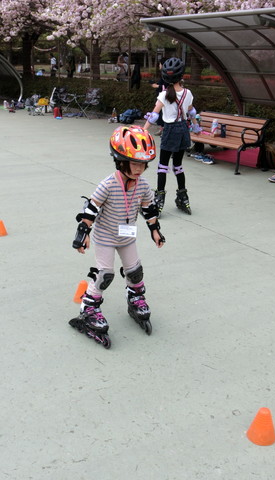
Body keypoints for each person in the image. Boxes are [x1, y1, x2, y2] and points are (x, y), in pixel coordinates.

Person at [69, 125, 166, 348]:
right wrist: (83, 233)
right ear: (120, 161)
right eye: (134, 163)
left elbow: (149, 208)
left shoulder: (143, 185)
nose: (139, 169)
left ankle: (135, 299)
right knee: (105, 274)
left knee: (135, 271)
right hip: (105, 237)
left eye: (143, 164)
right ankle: (89, 309)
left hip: (127, 237)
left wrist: (155, 230)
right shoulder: (108, 184)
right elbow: (91, 209)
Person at [143, 57, 198, 215]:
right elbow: (192, 112)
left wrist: (143, 130)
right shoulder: (188, 93)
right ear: (181, 76)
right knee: (178, 166)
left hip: (170, 130)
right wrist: (196, 126)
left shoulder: (164, 94)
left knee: (163, 166)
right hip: (183, 130)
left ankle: (159, 200)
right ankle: (183, 198)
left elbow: (154, 116)